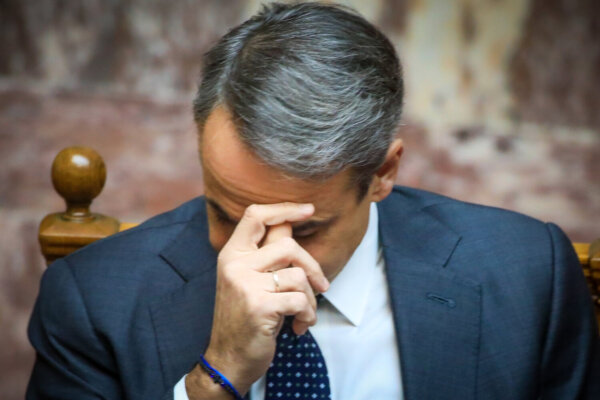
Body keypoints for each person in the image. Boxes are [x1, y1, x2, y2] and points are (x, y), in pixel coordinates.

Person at [27, 2, 599, 399]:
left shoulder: (528, 277)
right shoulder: (94, 300)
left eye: (304, 230)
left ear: (382, 173)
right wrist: (215, 379)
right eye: (226, 213)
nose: (263, 256)